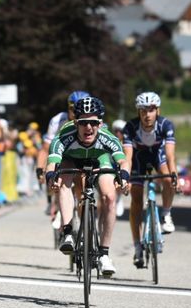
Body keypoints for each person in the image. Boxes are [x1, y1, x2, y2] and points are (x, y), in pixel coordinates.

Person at [45, 96, 129, 275]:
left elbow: (122, 160)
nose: (88, 127)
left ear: (100, 123)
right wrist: (51, 176)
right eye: (83, 122)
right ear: (75, 123)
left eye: (93, 122)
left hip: (99, 157)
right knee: (63, 179)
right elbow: (52, 162)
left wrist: (124, 176)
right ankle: (67, 233)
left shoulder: (107, 137)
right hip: (71, 158)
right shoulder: (64, 136)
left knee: (109, 196)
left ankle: (104, 254)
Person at [123, 92, 180, 268]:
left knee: (168, 178)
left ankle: (166, 214)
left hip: (158, 156)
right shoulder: (130, 127)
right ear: (138, 112)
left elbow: (170, 156)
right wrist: (125, 177)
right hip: (138, 160)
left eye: (151, 110)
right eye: (143, 111)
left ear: (158, 110)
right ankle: (137, 246)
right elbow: (128, 157)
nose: (147, 115)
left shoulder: (165, 125)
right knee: (137, 200)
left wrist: (174, 174)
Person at [36, 90, 90, 213]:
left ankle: (83, 223)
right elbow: (46, 148)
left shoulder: (91, 121)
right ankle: (52, 200)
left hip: (82, 154)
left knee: (81, 188)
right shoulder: (58, 120)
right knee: (51, 176)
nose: (75, 112)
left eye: (79, 108)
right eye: (72, 108)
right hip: (62, 154)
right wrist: (40, 168)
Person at [111, 119, 127, 217]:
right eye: (116, 131)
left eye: (120, 131)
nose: (118, 133)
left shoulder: (126, 144)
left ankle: (119, 198)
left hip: (120, 168)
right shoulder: (110, 141)